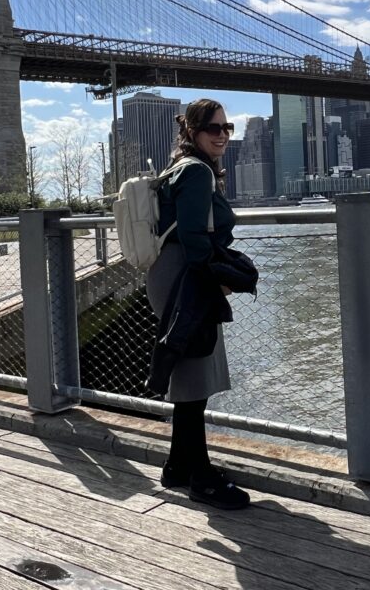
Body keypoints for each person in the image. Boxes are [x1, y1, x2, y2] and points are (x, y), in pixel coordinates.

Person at [146, 98, 253, 510]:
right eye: (213, 128)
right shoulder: (195, 172)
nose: (222, 135)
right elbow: (193, 237)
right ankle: (201, 478)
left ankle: (178, 465)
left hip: (173, 276)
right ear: (192, 131)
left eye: (227, 128)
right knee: (194, 381)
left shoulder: (184, 168)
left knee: (190, 369)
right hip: (185, 279)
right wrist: (217, 282)